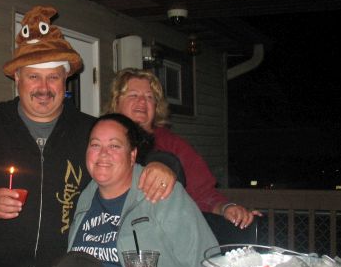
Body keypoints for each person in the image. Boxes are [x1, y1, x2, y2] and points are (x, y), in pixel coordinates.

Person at [0, 5, 177, 267]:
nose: (44, 88)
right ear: (17, 78)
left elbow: (135, 156)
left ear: (65, 79)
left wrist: (162, 164)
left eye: (53, 77)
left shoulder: (89, 130)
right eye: (33, 76)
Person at [107, 68, 261, 242]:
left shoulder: (173, 145)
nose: (142, 101)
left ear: (156, 106)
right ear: (116, 102)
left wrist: (226, 208)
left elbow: (204, 194)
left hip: (160, 240)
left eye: (149, 97)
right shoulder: (100, 140)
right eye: (134, 95)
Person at [68, 113, 218, 267]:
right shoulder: (85, 197)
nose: (103, 153)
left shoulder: (161, 192)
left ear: (132, 155)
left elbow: (205, 265)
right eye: (95, 145)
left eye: (114, 146)